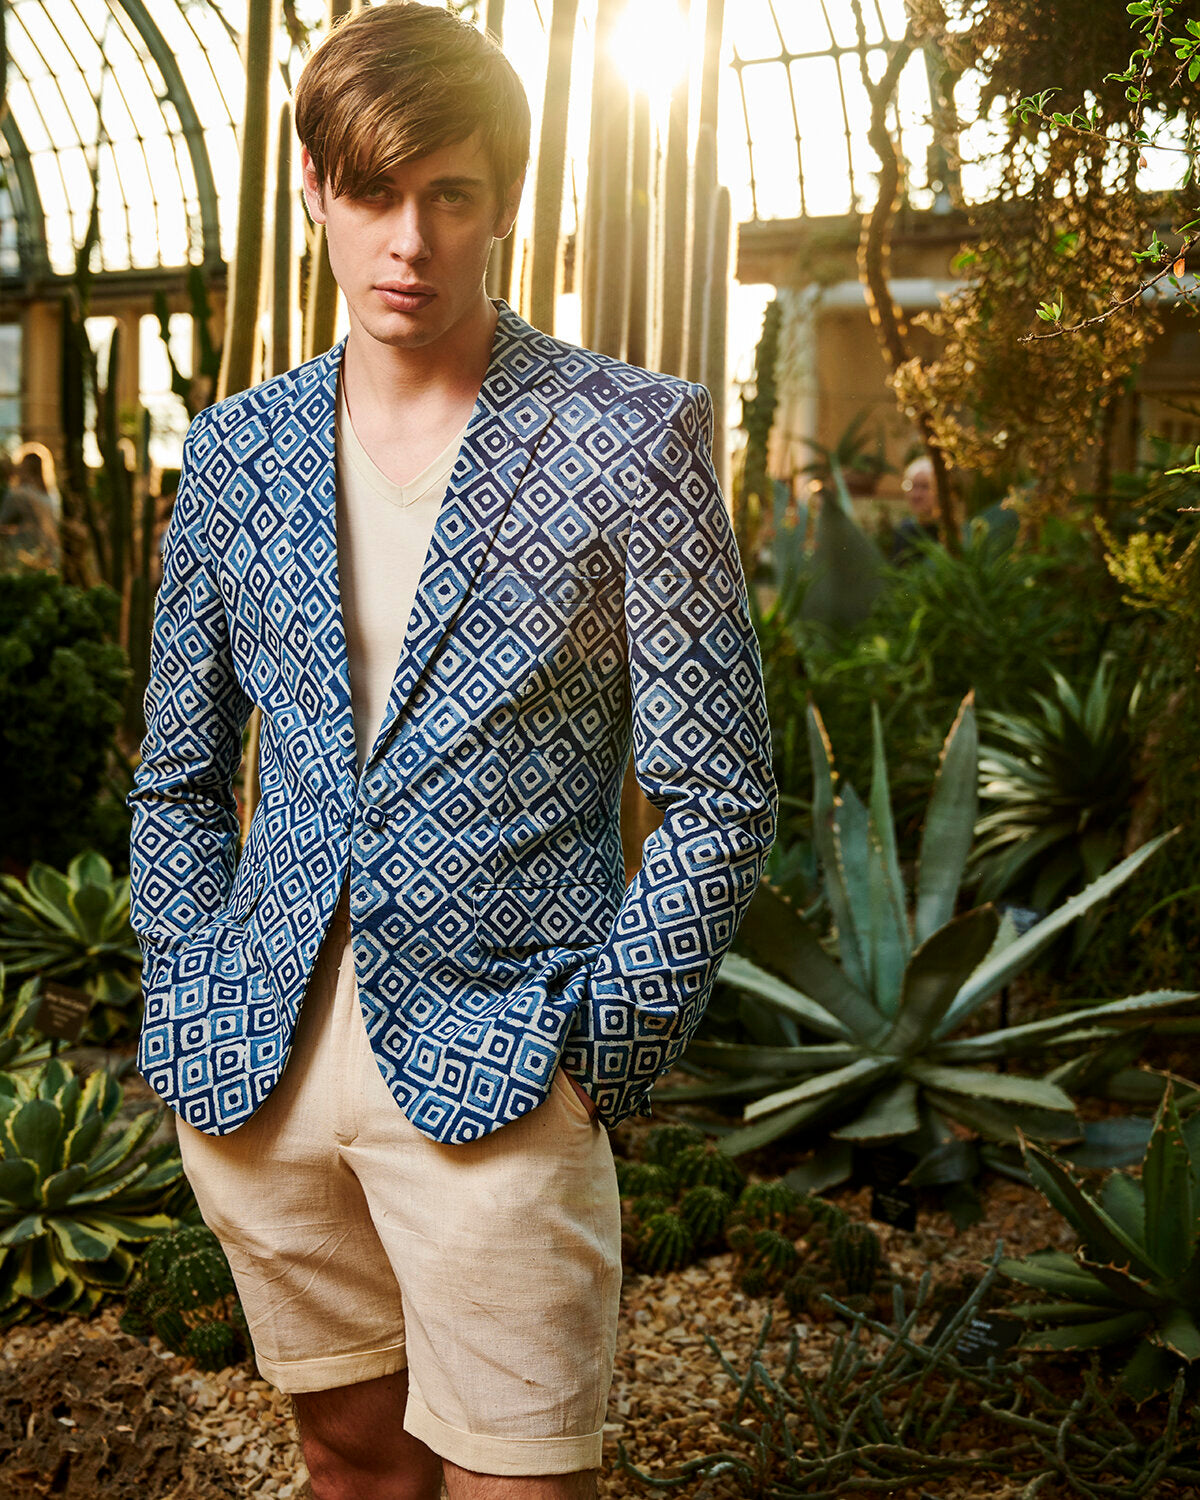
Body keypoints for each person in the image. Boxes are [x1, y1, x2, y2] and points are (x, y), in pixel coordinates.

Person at [127, 5, 777, 1498]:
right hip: (261, 1070)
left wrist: (597, 1051)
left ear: (502, 203)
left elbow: (718, 788)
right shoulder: (236, 450)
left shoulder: (632, 437)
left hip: (505, 1065)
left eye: (453, 194)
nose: (409, 238)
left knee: (518, 1484)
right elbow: (176, 770)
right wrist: (186, 984)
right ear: (314, 189)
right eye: (372, 191)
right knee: (348, 1459)